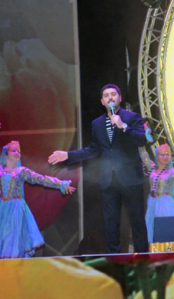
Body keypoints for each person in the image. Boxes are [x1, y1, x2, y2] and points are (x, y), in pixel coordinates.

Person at [48, 84, 149, 253]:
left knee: (137, 222)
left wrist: (123, 126)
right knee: (111, 225)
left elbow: (141, 140)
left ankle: (143, 261)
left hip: (131, 179)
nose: (110, 97)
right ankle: (115, 263)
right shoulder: (97, 124)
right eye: (106, 95)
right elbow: (93, 150)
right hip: (108, 182)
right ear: (102, 101)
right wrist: (68, 155)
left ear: (119, 97)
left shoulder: (131, 118)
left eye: (113, 94)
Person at [0, 122, 75, 258]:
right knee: (2, 242)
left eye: (19, 151)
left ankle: (13, 266)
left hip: (15, 210)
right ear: (6, 155)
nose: (17, 152)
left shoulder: (21, 172)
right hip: (2, 211)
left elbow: (41, 179)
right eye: (13, 150)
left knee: (12, 244)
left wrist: (60, 183)